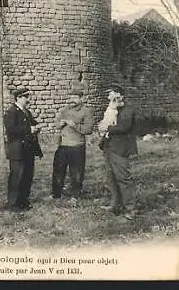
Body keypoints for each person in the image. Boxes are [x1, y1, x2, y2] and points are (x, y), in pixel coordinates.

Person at [98, 84, 138, 220]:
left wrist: (107, 127)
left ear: (119, 95)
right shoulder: (111, 109)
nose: (109, 97)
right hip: (109, 147)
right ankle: (115, 204)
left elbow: (124, 127)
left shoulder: (128, 110)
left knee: (123, 178)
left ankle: (130, 209)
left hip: (121, 149)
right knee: (111, 178)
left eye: (112, 94)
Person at [51, 87, 94, 205]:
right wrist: (59, 125)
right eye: (71, 97)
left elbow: (88, 129)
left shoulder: (86, 111)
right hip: (63, 145)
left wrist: (74, 125)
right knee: (58, 169)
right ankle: (56, 193)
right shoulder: (65, 110)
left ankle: (75, 194)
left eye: (75, 97)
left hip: (77, 146)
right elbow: (57, 124)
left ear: (81, 98)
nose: (72, 100)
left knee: (76, 171)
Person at [4, 87, 43, 211]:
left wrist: (37, 126)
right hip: (17, 151)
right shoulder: (11, 112)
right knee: (17, 177)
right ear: (19, 98)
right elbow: (11, 130)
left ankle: (23, 201)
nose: (28, 99)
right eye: (26, 97)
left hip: (28, 150)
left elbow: (32, 123)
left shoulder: (26, 112)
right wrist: (29, 130)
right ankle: (13, 204)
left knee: (27, 176)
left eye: (27, 97)